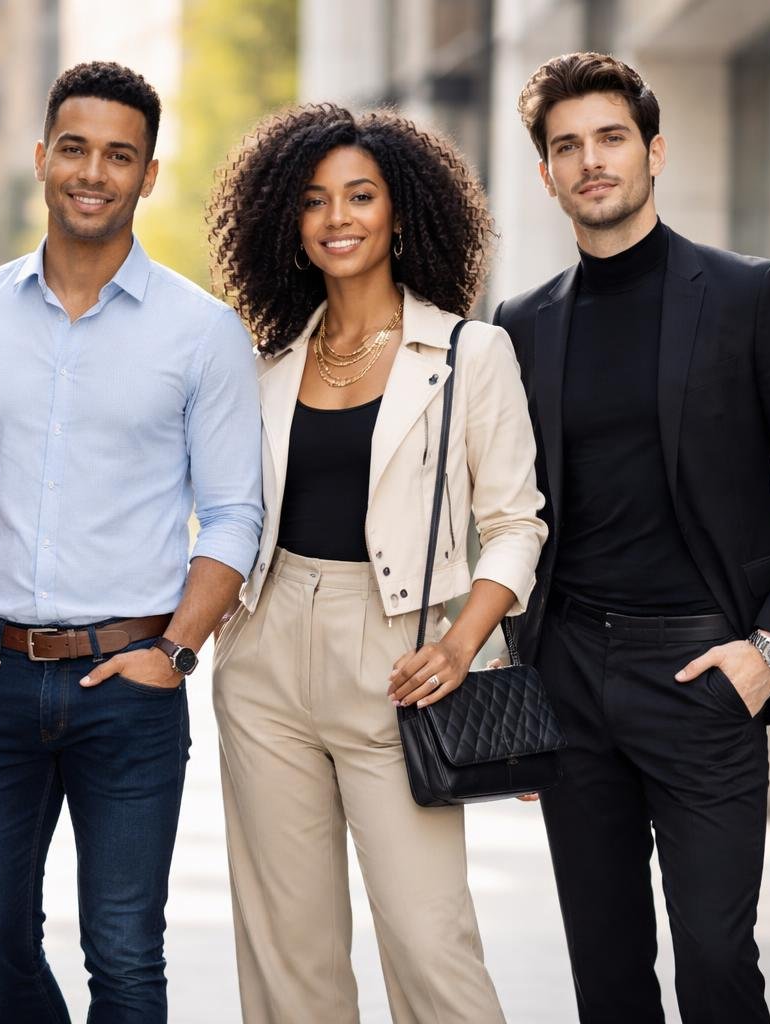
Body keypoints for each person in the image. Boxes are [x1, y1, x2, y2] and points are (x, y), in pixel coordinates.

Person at [494, 52, 770, 1023]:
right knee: (606, 976)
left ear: (653, 151)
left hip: (706, 672)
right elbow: (515, 516)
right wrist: (522, 684)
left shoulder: (747, 297)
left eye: (611, 138)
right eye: (567, 146)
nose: (591, 161)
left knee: (718, 965)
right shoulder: (522, 325)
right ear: (546, 174)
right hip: (571, 676)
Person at [0, 61, 261, 1023]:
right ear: (42, 157)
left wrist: (176, 650)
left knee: (123, 952)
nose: (93, 172)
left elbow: (234, 515)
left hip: (131, 684)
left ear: (148, 175)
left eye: (120, 156)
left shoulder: (203, 333)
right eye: (74, 149)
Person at [205, 103, 547, 1024]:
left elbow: (516, 524)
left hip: (402, 654)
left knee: (431, 942)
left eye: (361, 196)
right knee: (288, 951)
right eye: (314, 200)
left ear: (401, 213)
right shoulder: (268, 363)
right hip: (266, 648)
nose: (338, 218)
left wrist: (460, 645)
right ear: (289, 221)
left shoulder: (470, 353)